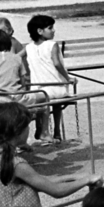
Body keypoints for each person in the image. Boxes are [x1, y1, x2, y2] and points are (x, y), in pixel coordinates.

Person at [26, 13, 75, 141]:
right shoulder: (52, 45)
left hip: (37, 88)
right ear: (40, 31)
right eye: (50, 28)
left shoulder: (28, 47)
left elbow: (17, 57)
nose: (53, 30)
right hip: (55, 88)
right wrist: (68, 78)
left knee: (44, 100)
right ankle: (54, 131)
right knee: (55, 101)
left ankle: (40, 128)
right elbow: (57, 63)